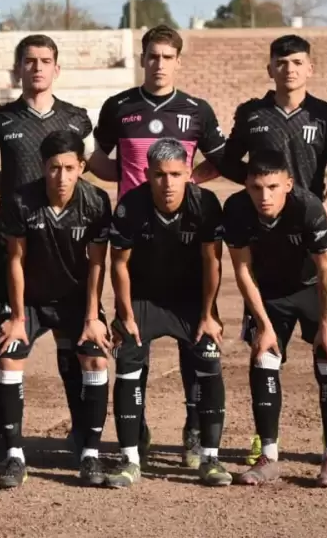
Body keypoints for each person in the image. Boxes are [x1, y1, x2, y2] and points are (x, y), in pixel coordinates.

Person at [91, 24, 228, 468]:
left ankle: (193, 428)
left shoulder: (196, 110)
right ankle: (140, 424)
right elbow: (98, 158)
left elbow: (220, 160)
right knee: (134, 336)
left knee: (196, 341)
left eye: (168, 57)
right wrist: (133, 188)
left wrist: (188, 182)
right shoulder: (119, 107)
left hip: (183, 237)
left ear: (178, 61)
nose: (159, 63)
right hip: (136, 232)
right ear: (143, 58)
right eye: (152, 56)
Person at [211, 34, 327, 465]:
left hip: (311, 245)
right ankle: (265, 444)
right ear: (269, 68)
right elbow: (232, 162)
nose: (289, 69)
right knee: (264, 353)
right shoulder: (251, 114)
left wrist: (313, 221)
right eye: (281, 62)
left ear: (310, 68)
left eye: (297, 62)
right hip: (267, 251)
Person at [0, 34, 104, 460]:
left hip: (65, 251)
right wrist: (8, 189)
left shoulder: (78, 119)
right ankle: (10, 450)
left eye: (45, 61)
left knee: (74, 347)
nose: (38, 68)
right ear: (18, 69)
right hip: (20, 240)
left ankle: (85, 438)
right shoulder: (1, 119)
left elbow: (90, 166)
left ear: (56, 69)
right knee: (11, 345)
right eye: (30, 61)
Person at [104, 138, 228, 488]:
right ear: (146, 174)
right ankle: (129, 457)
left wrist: (208, 314)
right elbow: (119, 265)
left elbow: (212, 262)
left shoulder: (205, 203)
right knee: (127, 360)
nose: (168, 182)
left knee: (208, 358)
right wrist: (125, 314)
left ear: (189, 173)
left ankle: (210, 457)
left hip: (190, 301)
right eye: (159, 175)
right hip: (144, 299)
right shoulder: (131, 205)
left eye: (176, 174)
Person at [222, 149, 327, 489]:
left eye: (273, 187)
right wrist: (262, 324)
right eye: (256, 187)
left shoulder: (308, 207)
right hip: (270, 290)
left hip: (316, 285)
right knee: (263, 357)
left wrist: (326, 323)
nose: (264, 196)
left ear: (288, 184)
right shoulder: (235, 210)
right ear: (246, 185)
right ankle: (268, 456)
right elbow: (243, 269)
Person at [0, 130, 113, 488]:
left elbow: (97, 264)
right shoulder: (20, 200)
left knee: (96, 356)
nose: (61, 177)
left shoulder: (95, 201)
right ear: (42, 167)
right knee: (8, 354)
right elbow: (15, 260)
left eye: (68, 167)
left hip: (75, 300)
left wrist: (92, 318)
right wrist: (16, 318)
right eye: (53, 168)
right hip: (29, 300)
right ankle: (14, 455)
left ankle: (90, 454)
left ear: (81, 166)